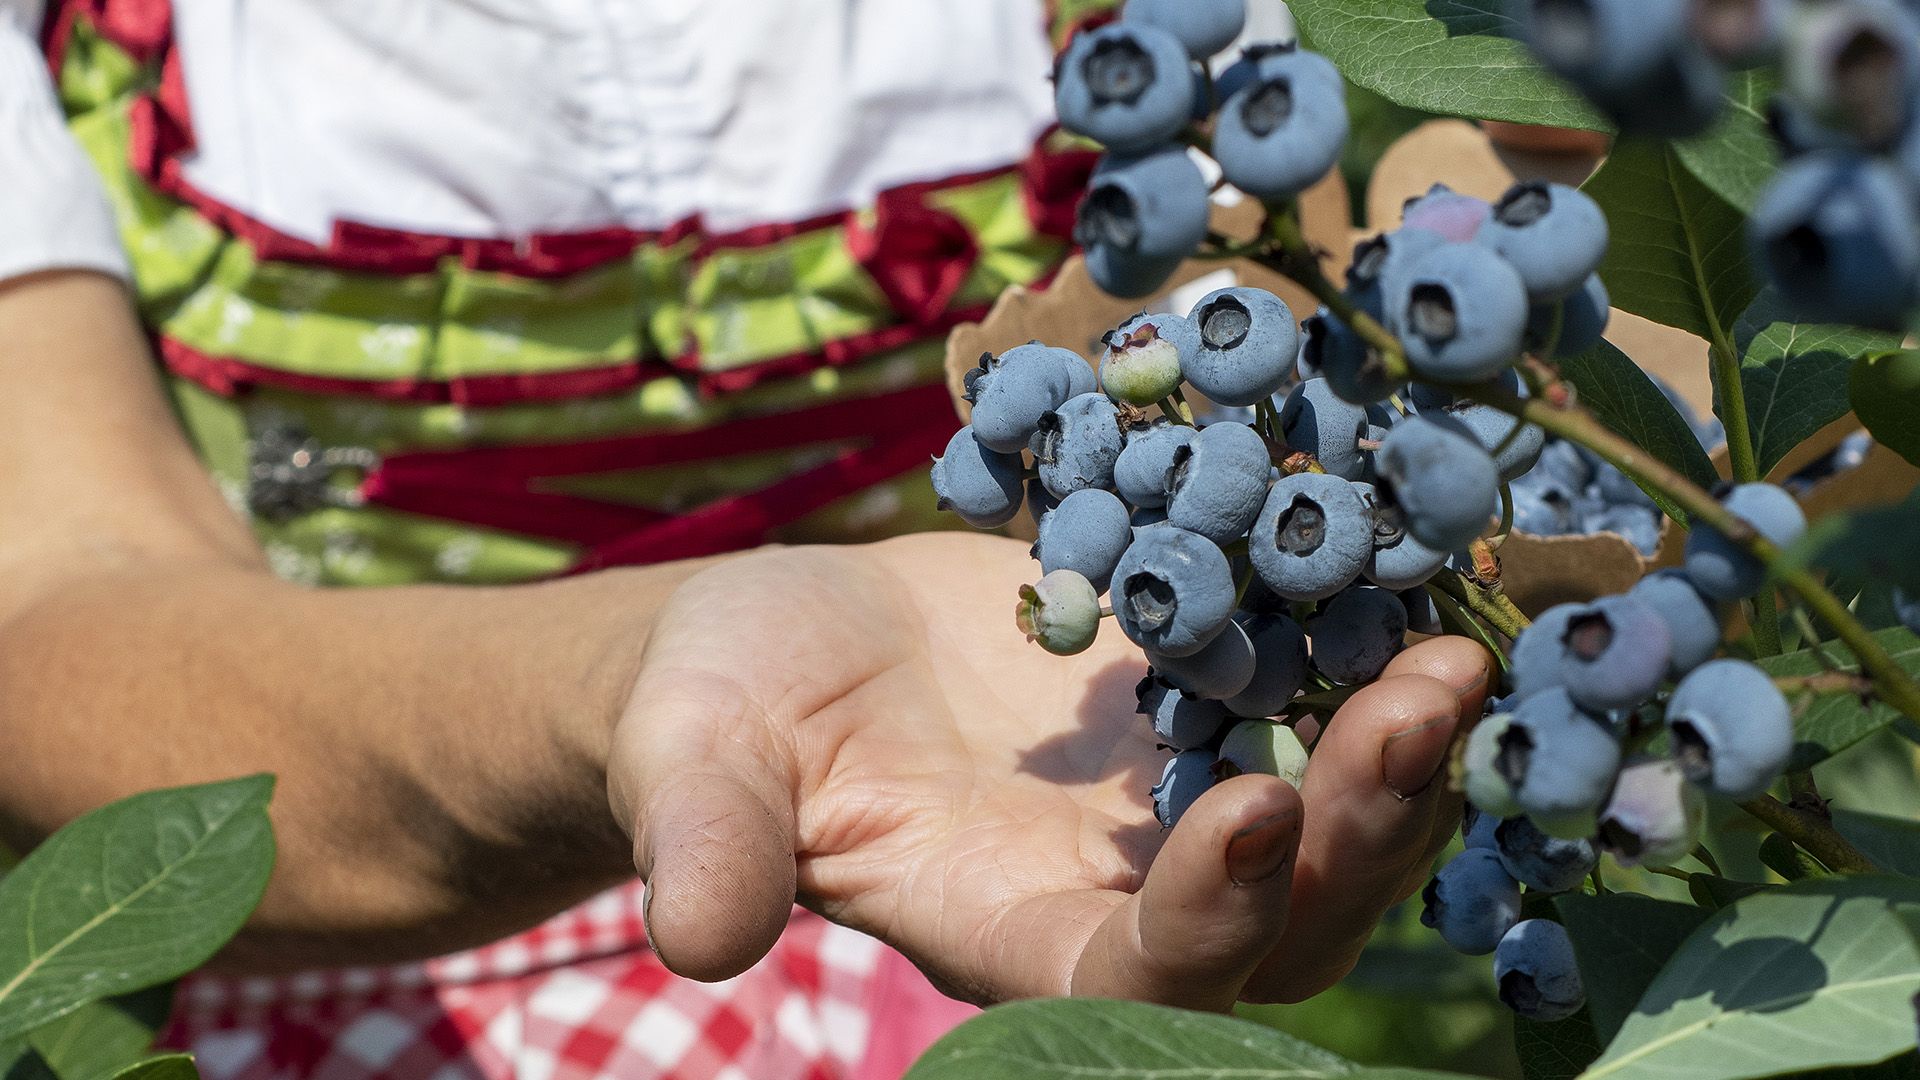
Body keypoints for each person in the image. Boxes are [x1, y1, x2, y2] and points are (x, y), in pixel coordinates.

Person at [0, 1, 1492, 1077]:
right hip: (371, 929)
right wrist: (638, 678)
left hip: (987, 837)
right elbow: (57, 616)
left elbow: (1239, 362)